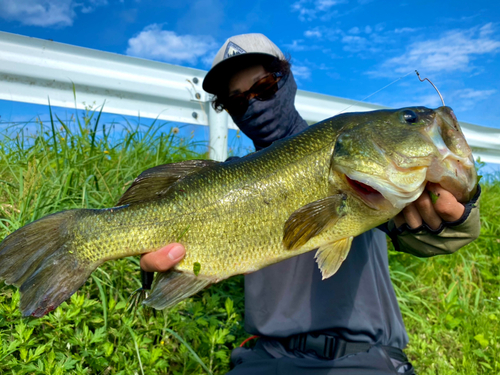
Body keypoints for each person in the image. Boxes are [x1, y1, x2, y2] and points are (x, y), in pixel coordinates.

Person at [141, 34, 481, 374]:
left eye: (264, 86)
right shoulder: (217, 182)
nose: (255, 104)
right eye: (238, 100)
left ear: (287, 81)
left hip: (363, 358)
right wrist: (159, 261)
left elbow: (428, 234)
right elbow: (161, 234)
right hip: (264, 359)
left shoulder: (360, 166)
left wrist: (452, 218)